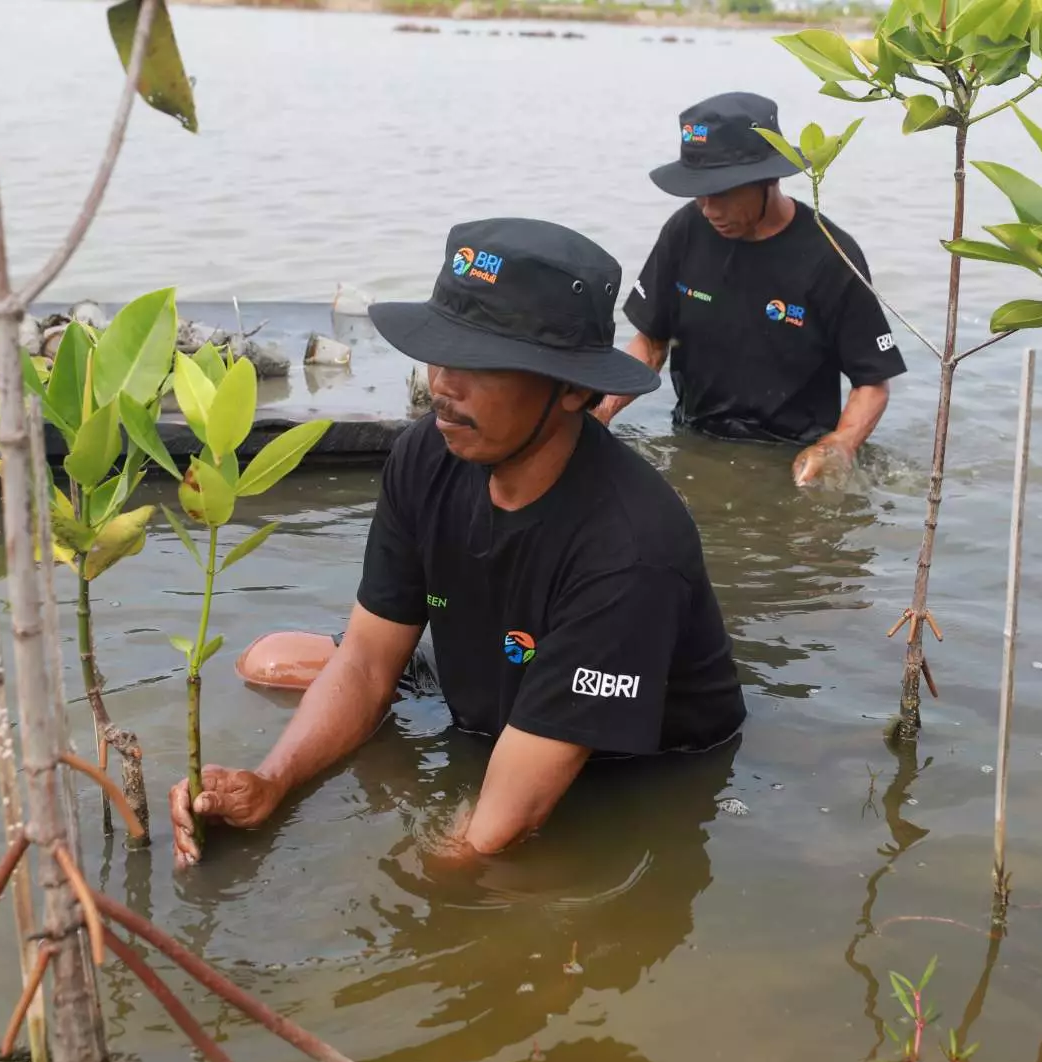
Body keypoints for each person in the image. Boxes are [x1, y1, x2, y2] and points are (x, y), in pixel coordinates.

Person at [172, 218, 747, 868]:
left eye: (480, 363)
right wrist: (269, 785)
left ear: (574, 389)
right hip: (495, 684)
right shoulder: (426, 454)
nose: (443, 384)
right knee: (266, 662)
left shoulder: (631, 547)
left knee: (468, 867)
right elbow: (365, 661)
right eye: (439, 351)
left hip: (615, 756)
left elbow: (502, 821)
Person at [591, 91, 904, 486]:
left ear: (768, 178)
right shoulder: (685, 230)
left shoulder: (830, 255)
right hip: (694, 438)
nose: (708, 209)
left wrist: (839, 445)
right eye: (699, 192)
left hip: (789, 452)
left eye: (721, 192)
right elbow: (651, 345)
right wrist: (600, 411)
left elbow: (872, 383)